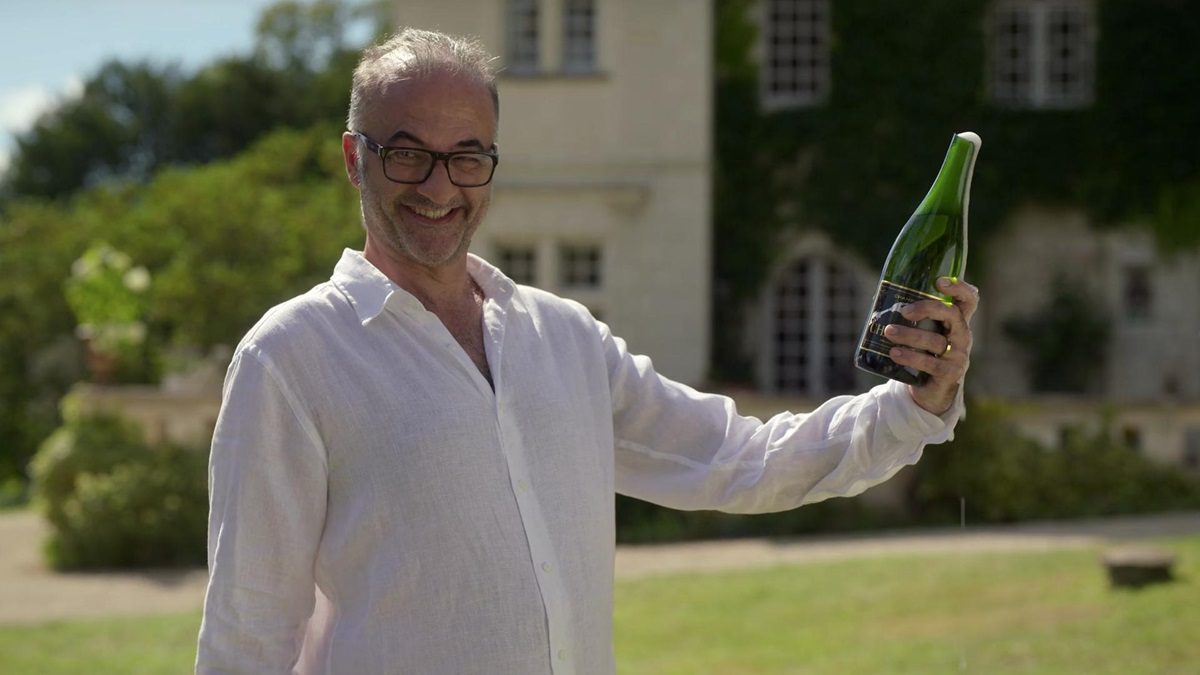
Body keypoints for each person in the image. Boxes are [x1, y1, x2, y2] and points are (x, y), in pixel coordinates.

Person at [195, 27, 979, 675]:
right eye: (407, 153)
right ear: (353, 157)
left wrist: (915, 404)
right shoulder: (290, 358)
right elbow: (246, 637)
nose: (441, 185)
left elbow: (741, 459)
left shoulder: (561, 336)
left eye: (468, 155)